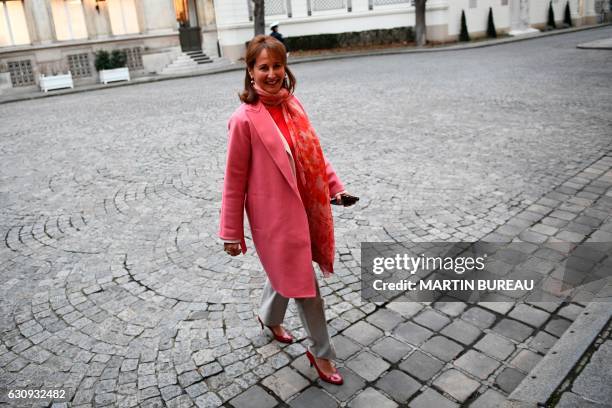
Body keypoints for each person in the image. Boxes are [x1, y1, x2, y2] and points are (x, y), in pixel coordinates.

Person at [219, 35, 356, 385]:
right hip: (275, 222)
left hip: (306, 209)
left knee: (285, 274)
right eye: (263, 67)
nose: (271, 73)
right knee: (305, 286)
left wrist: (335, 189)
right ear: (250, 71)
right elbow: (234, 181)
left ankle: (268, 315)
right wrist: (231, 232)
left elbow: (313, 156)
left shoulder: (293, 105)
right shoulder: (243, 120)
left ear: (285, 67)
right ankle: (322, 353)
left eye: (277, 65)